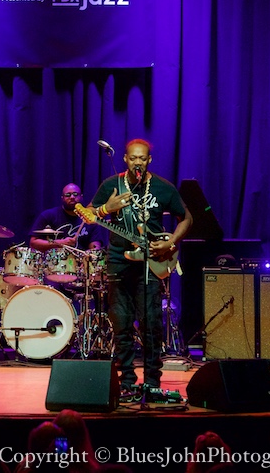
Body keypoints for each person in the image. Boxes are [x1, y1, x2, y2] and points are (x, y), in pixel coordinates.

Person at [88, 139, 192, 394]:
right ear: (125, 159)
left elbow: (187, 217)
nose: (137, 162)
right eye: (133, 158)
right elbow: (88, 213)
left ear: (149, 161)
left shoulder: (162, 187)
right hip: (118, 261)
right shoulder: (111, 185)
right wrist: (105, 208)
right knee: (121, 323)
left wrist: (171, 243)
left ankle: (152, 382)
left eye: (142, 158)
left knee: (151, 324)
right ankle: (125, 381)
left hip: (151, 263)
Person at [30, 182, 106, 264]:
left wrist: (90, 257)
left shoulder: (89, 219)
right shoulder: (48, 216)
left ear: (81, 197)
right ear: (62, 198)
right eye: (68, 195)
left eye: (75, 194)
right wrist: (60, 243)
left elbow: (94, 248)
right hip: (54, 265)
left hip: (81, 266)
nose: (72, 197)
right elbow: (33, 243)